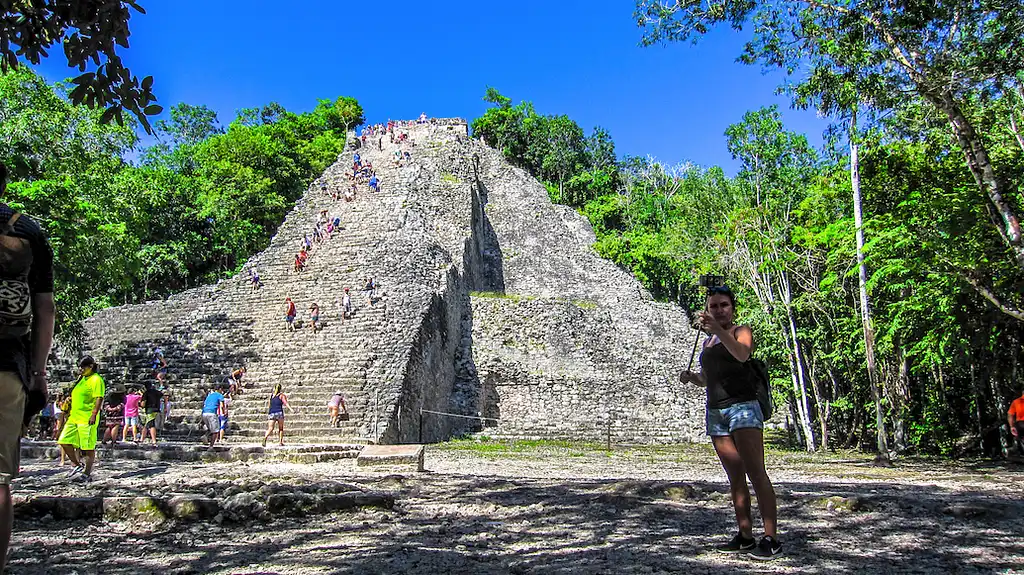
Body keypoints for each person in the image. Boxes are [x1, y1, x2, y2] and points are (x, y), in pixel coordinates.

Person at [679, 285, 781, 559]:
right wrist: (693, 378)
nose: (719, 310)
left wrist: (718, 330)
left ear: (733, 308)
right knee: (735, 476)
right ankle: (745, 535)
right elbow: (709, 378)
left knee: (755, 472)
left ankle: (771, 537)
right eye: (713, 306)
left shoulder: (740, 331)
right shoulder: (707, 343)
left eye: (723, 305)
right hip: (717, 412)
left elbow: (741, 355)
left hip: (743, 408)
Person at [0, 160, 56, 572]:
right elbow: (45, 308)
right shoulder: (27, 230)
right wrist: (38, 373)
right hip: (8, 364)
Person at [58, 356, 105, 483]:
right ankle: (77, 465)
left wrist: (94, 414)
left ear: (90, 367)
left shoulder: (96, 379)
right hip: (74, 416)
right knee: (64, 440)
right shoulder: (81, 379)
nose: (81, 369)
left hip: (87, 417)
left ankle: (87, 473)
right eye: (80, 367)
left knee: (88, 447)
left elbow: (99, 397)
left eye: (83, 367)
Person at [201, 384, 227, 451]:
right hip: (212, 413)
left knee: (211, 428)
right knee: (216, 431)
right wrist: (224, 412)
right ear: (220, 389)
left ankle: (205, 436)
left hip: (204, 413)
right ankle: (211, 446)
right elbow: (222, 406)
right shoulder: (220, 395)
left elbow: (204, 404)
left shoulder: (209, 395)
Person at [140, 382, 163, 446]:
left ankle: (154, 441)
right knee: (147, 425)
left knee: (151, 425)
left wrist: (140, 404)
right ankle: (142, 439)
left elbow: (143, 404)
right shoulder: (157, 392)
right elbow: (163, 395)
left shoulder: (146, 393)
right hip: (157, 409)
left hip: (150, 410)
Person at [1009, 390, 1024, 456]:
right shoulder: (1016, 402)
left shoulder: (1016, 402)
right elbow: (1010, 415)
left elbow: (1010, 415)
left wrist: (1012, 426)